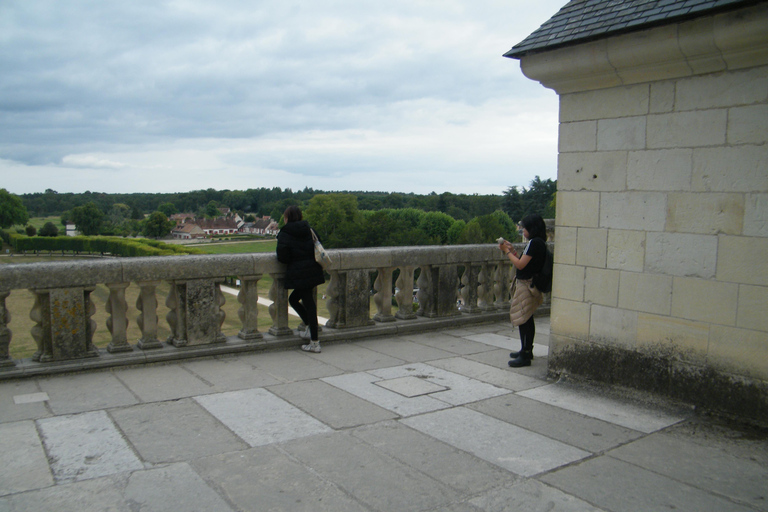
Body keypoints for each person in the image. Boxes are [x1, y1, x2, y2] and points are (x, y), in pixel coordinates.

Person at [498, 214, 547, 367]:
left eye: (524, 228)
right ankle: (526, 350)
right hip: (529, 283)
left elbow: (520, 265)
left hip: (527, 284)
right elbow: (524, 262)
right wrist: (512, 251)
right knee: (527, 318)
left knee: (523, 319)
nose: (522, 231)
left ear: (531, 229)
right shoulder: (538, 242)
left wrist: (506, 252)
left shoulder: (534, 243)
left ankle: (525, 354)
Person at [276, 206, 325, 353]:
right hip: (312, 271)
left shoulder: (285, 233)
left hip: (299, 272)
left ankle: (315, 342)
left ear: (287, 218)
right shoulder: (309, 230)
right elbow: (319, 245)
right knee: (298, 300)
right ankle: (311, 329)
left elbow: (282, 258)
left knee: (308, 304)